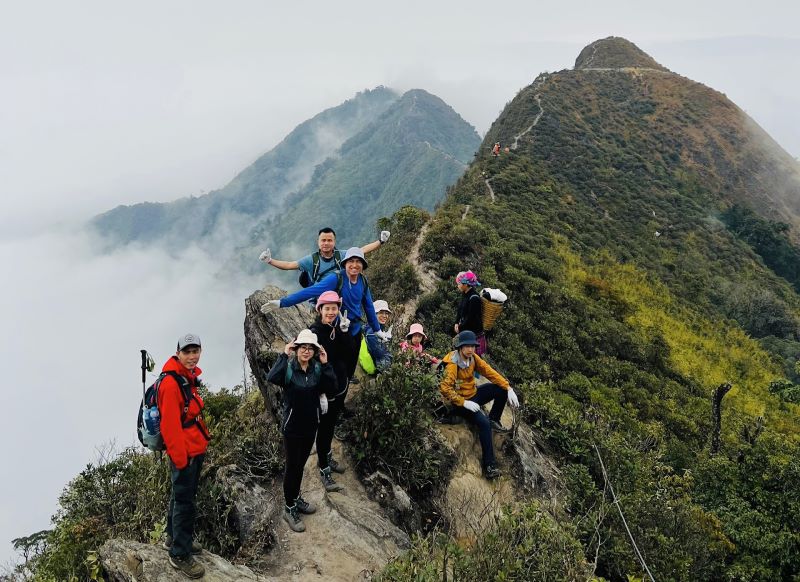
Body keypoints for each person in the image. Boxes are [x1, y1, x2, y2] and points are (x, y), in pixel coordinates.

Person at [262, 247, 386, 381]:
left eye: (358, 261)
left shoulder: (363, 281)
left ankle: (347, 380)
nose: (354, 265)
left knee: (351, 360)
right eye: (351, 261)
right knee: (335, 362)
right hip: (336, 329)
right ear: (345, 263)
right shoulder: (336, 278)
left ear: (363, 265)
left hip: (355, 330)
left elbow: (368, 306)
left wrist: (377, 329)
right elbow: (310, 291)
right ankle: (332, 387)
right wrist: (282, 302)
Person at [266, 329, 336, 533]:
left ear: (315, 351)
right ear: (296, 349)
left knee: (300, 466)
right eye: (302, 347)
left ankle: (295, 499)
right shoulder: (289, 369)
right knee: (292, 467)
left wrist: (325, 363)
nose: (306, 351)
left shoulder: (316, 369)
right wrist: (284, 354)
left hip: (311, 426)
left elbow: (331, 386)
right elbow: (272, 377)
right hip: (292, 428)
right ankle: (289, 508)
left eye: (310, 348)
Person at [160, 333, 210, 579]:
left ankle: (173, 538)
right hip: (185, 454)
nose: (192, 357)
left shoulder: (185, 377)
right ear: (178, 353)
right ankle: (179, 554)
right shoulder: (171, 385)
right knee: (185, 502)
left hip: (193, 447)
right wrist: (181, 461)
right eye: (187, 352)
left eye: (195, 351)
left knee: (179, 497)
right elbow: (170, 428)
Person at [439, 330, 520, 480]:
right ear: (460, 347)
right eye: (467, 346)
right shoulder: (452, 364)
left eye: (473, 346)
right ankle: (490, 466)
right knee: (483, 423)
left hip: (473, 395)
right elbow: (445, 388)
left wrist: (508, 387)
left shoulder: (473, 358)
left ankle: (494, 419)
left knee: (500, 389)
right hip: (460, 403)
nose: (471, 349)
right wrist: (464, 403)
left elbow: (489, 372)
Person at [309, 291, 352, 492]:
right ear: (320, 310)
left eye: (334, 308)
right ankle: (324, 469)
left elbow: (347, 353)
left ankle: (326, 458)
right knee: (324, 429)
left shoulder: (337, 328)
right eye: (327, 308)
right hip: (325, 389)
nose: (331, 312)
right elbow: (312, 365)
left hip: (338, 385)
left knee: (330, 425)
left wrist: (345, 332)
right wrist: (320, 392)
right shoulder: (315, 332)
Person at [259, 227, 391, 287]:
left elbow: (362, 250)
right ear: (318, 242)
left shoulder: (342, 255)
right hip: (320, 300)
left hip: (340, 296)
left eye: (329, 240)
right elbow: (289, 265)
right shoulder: (312, 260)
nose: (326, 243)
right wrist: (270, 260)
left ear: (334, 242)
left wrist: (381, 241)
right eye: (323, 240)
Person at [454, 270, 487, 356]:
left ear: (465, 284)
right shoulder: (465, 294)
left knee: (473, 357)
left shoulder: (474, 298)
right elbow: (460, 309)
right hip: (466, 329)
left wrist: (460, 327)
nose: (458, 285)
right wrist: (456, 322)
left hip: (474, 333)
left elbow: (471, 318)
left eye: (459, 283)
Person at [364, 299, 393, 371]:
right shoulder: (371, 332)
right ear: (373, 314)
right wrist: (386, 342)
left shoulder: (379, 328)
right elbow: (379, 354)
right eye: (381, 313)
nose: (385, 316)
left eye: (386, 313)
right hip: (376, 366)